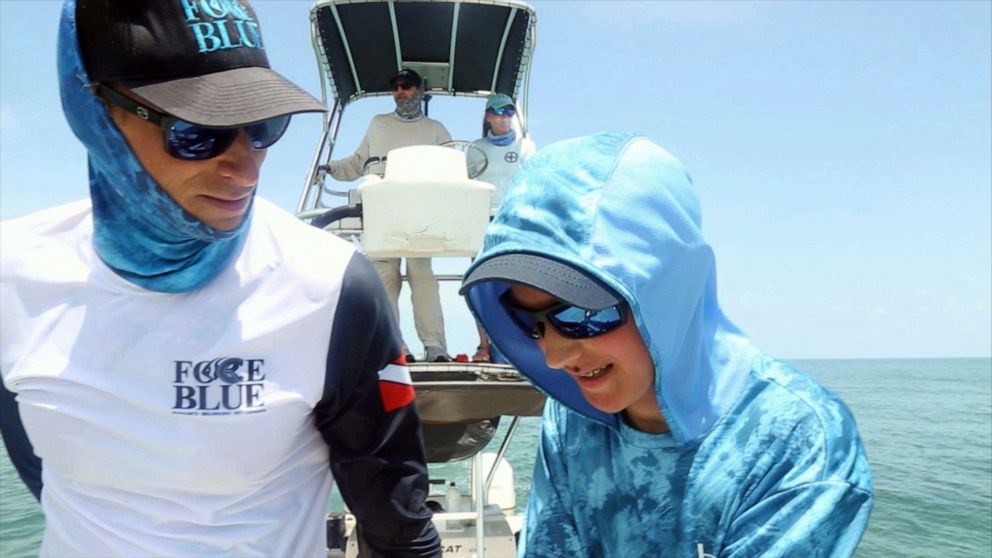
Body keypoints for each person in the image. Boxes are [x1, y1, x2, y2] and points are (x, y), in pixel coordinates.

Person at [0, 2, 441, 557]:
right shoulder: (11, 274)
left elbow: (394, 514)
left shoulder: (330, 286)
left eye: (261, 128)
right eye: (196, 133)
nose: (247, 168)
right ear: (97, 112)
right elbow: (42, 471)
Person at [460, 133, 873, 556]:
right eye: (531, 323)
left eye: (580, 314)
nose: (554, 355)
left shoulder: (798, 442)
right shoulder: (570, 420)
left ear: (664, 291)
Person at [329, 69, 451, 362]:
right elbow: (357, 163)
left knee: (422, 275)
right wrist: (329, 169)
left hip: (421, 213)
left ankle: (435, 348)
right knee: (384, 276)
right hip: (381, 211)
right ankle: (394, 345)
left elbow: (453, 168)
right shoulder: (378, 124)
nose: (400, 91)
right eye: (395, 87)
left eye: (406, 86)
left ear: (419, 90)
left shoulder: (437, 129)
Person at [469, 93, 536, 362]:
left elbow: (534, 185)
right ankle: (484, 346)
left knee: (519, 286)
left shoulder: (526, 147)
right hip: (481, 224)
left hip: (514, 225)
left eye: (508, 112)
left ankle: (524, 348)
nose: (503, 117)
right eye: (497, 112)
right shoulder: (475, 148)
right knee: (481, 285)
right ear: (487, 117)